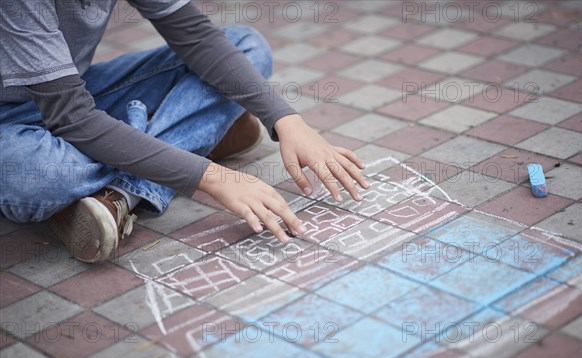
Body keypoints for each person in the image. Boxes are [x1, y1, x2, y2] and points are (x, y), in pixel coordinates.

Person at [0, 0, 369, 263]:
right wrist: (210, 175)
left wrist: (288, 120)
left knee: (245, 45)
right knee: (40, 176)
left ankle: (126, 188)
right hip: (15, 120)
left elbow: (195, 36)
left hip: (72, 90)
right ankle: (193, 135)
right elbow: (74, 119)